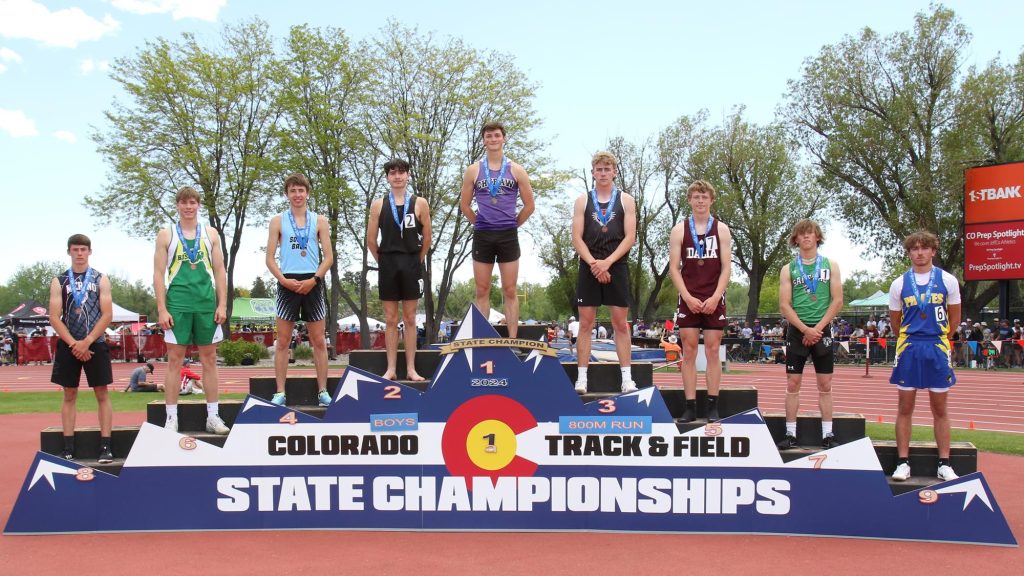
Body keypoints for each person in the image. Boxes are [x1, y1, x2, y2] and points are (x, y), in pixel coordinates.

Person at [153, 186, 229, 434]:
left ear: (198, 205)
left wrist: (222, 304)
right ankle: (171, 418)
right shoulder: (166, 235)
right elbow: (158, 273)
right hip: (178, 304)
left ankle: (213, 416)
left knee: (209, 360)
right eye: (184, 203)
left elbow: (219, 271)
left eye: (192, 202)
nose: (188, 207)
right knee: (175, 360)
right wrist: (162, 309)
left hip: (206, 304)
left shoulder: (210, 234)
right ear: (177, 205)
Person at [888, 231, 961, 482]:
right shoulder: (899, 284)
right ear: (909, 253)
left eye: (924, 248)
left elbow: (955, 318)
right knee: (904, 407)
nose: (919, 253)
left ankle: (944, 463)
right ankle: (902, 462)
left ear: (933, 251)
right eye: (914, 248)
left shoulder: (948, 281)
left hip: (937, 347)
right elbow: (895, 323)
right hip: (909, 347)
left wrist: (940, 337)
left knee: (940, 409)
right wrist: (911, 338)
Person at [459, 121, 535, 338]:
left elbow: (530, 205)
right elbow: (464, 205)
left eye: (497, 135)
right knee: (482, 291)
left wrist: (513, 224)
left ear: (504, 138)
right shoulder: (473, 170)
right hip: (483, 235)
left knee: (510, 290)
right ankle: (482, 339)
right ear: (483, 140)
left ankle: (512, 339)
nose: (493, 139)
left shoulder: (516, 170)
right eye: (489, 136)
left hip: (508, 235)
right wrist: (479, 223)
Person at [571, 151, 638, 394]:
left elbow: (630, 237)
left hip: (616, 264)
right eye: (598, 169)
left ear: (614, 172)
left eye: (607, 169)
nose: (602, 173)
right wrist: (594, 264)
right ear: (593, 172)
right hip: (589, 265)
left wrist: (607, 262)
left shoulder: (626, 200)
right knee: (585, 324)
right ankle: (582, 378)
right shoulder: (582, 201)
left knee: (620, 324)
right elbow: (576, 238)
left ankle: (627, 378)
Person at [266, 174, 334, 405]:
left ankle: (323, 391)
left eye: (301, 190)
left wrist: (314, 279)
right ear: (287, 194)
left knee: (318, 341)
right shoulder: (278, 221)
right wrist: (283, 280)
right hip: (287, 283)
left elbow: (329, 257)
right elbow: (269, 259)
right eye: (293, 190)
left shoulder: (320, 221)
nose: (297, 195)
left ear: (308, 193)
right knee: (283, 341)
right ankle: (280, 392)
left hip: (313, 282)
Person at [776, 219, 844, 449]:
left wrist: (817, 329)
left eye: (810, 233)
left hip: (822, 329)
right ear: (795, 239)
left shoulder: (830, 265)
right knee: (793, 382)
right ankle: (790, 434)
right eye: (801, 234)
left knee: (825, 384)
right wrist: (805, 329)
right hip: (798, 330)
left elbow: (837, 300)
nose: (806, 237)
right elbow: (784, 305)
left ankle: (828, 434)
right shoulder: (788, 269)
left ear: (817, 237)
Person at [669, 180, 732, 422]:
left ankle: (713, 406)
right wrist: (686, 296)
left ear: (711, 200)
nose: (700, 201)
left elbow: (727, 267)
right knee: (689, 350)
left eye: (704, 197)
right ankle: (690, 406)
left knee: (714, 350)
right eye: (696, 197)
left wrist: (717, 296)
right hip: (689, 295)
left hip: (714, 295)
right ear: (689, 200)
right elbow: (674, 268)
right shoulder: (679, 230)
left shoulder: (722, 230)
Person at [49, 234, 114, 463]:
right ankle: (68, 447)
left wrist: (87, 341)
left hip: (95, 343)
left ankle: (106, 446)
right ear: (69, 252)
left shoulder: (100, 279)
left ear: (89, 251)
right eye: (75, 249)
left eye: (83, 249)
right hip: (69, 345)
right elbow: (54, 316)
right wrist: (74, 343)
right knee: (69, 394)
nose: (79, 253)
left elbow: (107, 314)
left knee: (102, 393)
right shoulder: (60, 281)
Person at [367, 158, 432, 381]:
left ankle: (412, 368)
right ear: (387, 177)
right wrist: (383, 260)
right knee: (391, 319)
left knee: (411, 317)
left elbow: (427, 238)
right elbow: (371, 240)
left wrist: (416, 261)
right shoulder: (378, 204)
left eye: (401, 172)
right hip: (388, 263)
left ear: (408, 175)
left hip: (411, 263)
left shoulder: (420, 203)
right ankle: (391, 368)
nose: (397, 176)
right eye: (392, 172)